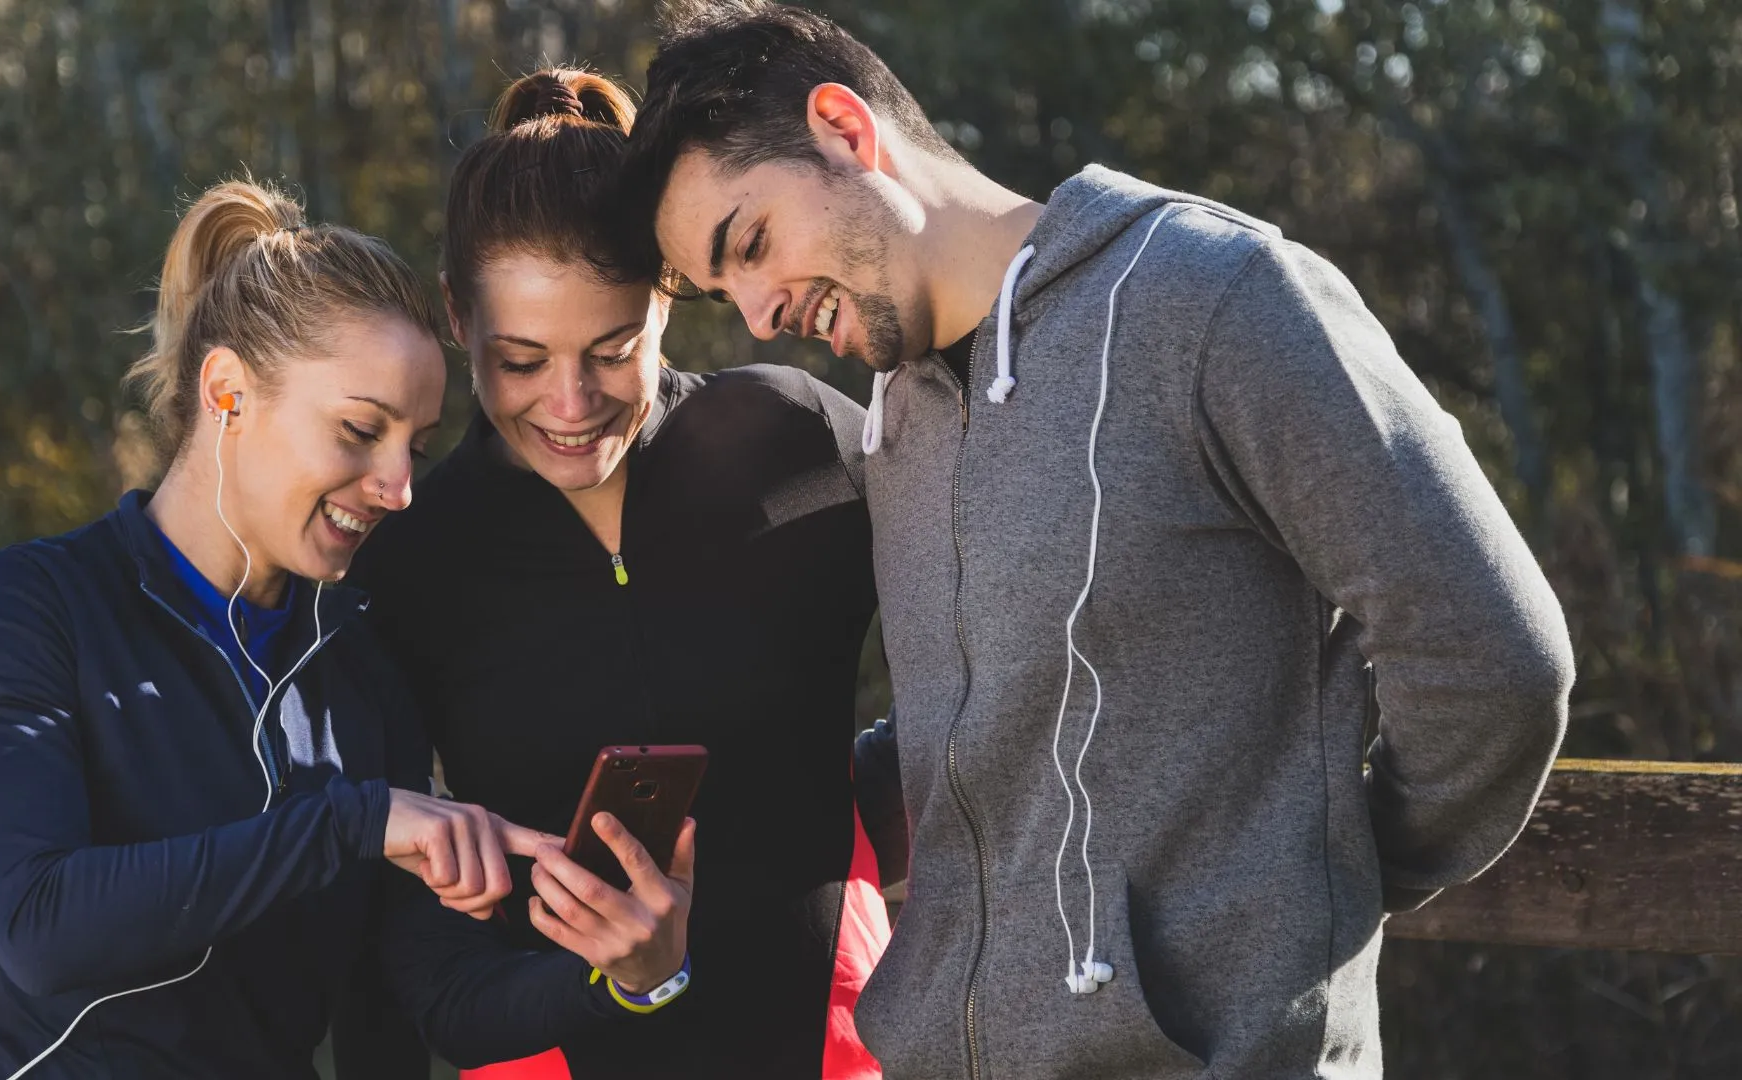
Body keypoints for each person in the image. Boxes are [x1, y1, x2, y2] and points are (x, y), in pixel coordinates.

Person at [621, 4, 1577, 1078]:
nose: (756, 311)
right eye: (722, 292)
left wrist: (1333, 876)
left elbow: (1491, 653)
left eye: (750, 245)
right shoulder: (901, 422)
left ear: (844, 127)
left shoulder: (1214, 297)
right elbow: (1004, 720)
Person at [0, 178, 690, 1079]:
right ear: (227, 392)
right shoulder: (29, 608)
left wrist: (632, 976)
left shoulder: (359, 669)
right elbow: (41, 928)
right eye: (361, 431)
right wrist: (347, 825)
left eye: (417, 445)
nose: (399, 486)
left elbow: (432, 1001)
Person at [348, 69, 900, 1080]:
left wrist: (893, 785)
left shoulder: (793, 436)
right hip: (549, 1053)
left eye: (612, 348)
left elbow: (998, 629)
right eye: (520, 360)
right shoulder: (406, 555)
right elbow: (395, 931)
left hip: (834, 1048)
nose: (570, 403)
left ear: (667, 293)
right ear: (457, 322)